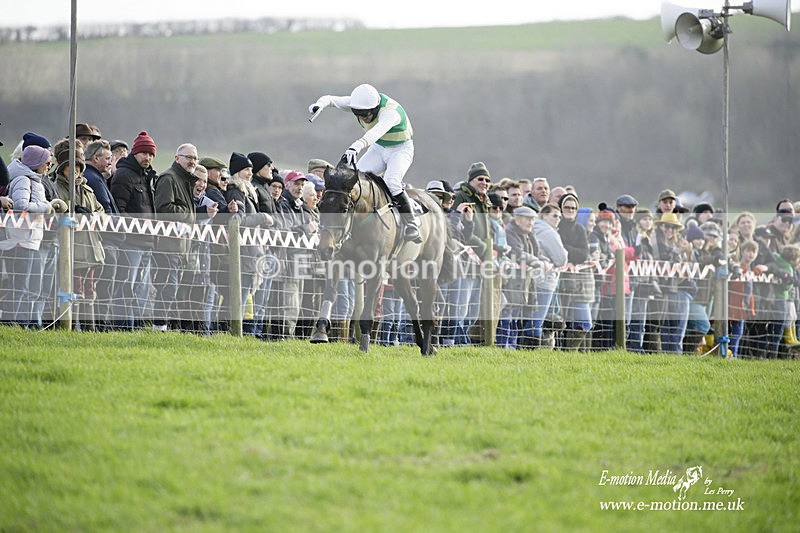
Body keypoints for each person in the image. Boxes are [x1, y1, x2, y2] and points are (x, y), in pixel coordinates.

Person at [308, 83, 421, 243]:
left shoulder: (390, 112)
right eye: (358, 114)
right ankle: (353, 223)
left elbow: (376, 132)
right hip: (379, 148)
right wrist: (319, 104)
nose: (363, 118)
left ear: (374, 108)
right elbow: (332, 99)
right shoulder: (360, 103)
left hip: (400, 149)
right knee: (354, 183)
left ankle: (411, 223)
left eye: (366, 114)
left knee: (392, 181)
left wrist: (356, 146)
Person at [152, 143, 208, 331]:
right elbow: (163, 208)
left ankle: (165, 327)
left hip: (181, 246)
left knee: (173, 290)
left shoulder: (185, 180)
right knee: (167, 288)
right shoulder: (169, 178)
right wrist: (189, 214)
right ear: (177, 158)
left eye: (195, 158)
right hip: (167, 246)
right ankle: (158, 328)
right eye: (188, 157)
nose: (192, 161)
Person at [0, 145, 55, 328]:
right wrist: (44, 206)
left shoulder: (33, 180)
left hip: (28, 240)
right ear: (37, 163)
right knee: (19, 287)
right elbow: (21, 205)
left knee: (24, 288)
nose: (49, 166)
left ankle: (19, 324)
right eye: (47, 162)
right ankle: (10, 324)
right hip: (19, 241)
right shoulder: (24, 180)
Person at [54, 146, 106, 330]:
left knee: (90, 290)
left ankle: (89, 329)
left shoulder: (87, 189)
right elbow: (57, 212)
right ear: (62, 170)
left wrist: (92, 216)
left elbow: (101, 211)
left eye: (78, 168)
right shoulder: (57, 188)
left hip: (91, 248)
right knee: (75, 290)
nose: (75, 172)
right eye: (71, 169)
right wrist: (73, 213)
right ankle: (73, 327)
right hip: (74, 248)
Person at [109, 131, 158, 330]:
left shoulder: (146, 176)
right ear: (135, 153)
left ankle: (136, 326)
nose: (148, 158)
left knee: (142, 288)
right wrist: (137, 227)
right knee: (127, 286)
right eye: (144, 153)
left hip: (146, 242)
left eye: (151, 154)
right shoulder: (124, 175)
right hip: (130, 242)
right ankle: (123, 326)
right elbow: (118, 210)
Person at [83, 139, 122, 330]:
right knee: (105, 287)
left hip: (108, 240)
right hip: (106, 241)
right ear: (96, 158)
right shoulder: (93, 179)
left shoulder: (99, 177)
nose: (110, 162)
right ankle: (101, 327)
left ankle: (101, 325)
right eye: (107, 158)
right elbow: (104, 211)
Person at [276, 170, 318, 338]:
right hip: (288, 259)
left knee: (298, 302)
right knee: (290, 302)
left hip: (300, 260)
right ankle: (287, 336)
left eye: (301, 185)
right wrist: (305, 229)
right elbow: (285, 230)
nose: (299, 188)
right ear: (287, 185)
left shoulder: (298, 205)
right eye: (296, 184)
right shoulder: (285, 203)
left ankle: (290, 336)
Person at [497, 206, 540, 349]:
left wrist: (543, 261)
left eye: (533, 219)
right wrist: (537, 262)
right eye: (528, 219)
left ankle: (512, 347)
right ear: (517, 219)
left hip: (522, 283)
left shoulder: (529, 234)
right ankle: (504, 346)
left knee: (515, 317)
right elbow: (517, 253)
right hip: (511, 280)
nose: (531, 222)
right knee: (507, 315)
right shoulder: (510, 232)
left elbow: (537, 253)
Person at [556, 192, 594, 350]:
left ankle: (570, 351)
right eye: (566, 207)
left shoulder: (580, 229)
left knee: (584, 322)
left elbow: (583, 254)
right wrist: (570, 252)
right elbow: (556, 250)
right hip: (558, 281)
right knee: (560, 320)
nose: (570, 210)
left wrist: (565, 249)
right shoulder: (556, 226)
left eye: (573, 207)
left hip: (577, 283)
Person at [531, 204, 568, 347]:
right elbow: (561, 259)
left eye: (559, 216)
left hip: (532, 277)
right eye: (554, 215)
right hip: (545, 280)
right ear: (543, 215)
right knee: (538, 319)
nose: (558, 219)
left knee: (530, 317)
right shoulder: (548, 232)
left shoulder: (533, 228)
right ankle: (532, 349)